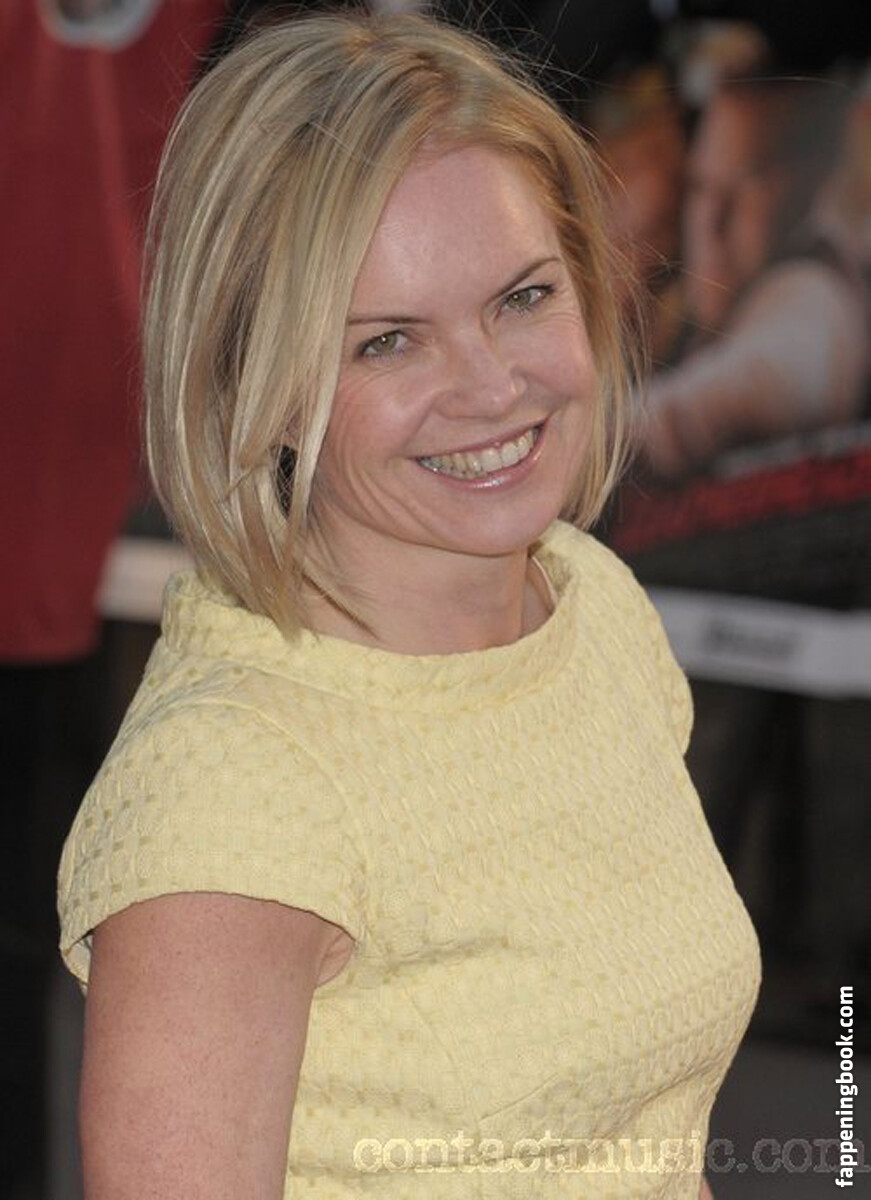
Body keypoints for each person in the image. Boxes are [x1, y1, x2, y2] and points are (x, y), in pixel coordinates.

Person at [57, 12, 761, 1198]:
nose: (492, 386)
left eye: (522, 297)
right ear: (257, 380)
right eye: (387, 342)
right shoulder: (235, 792)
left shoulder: (588, 604)